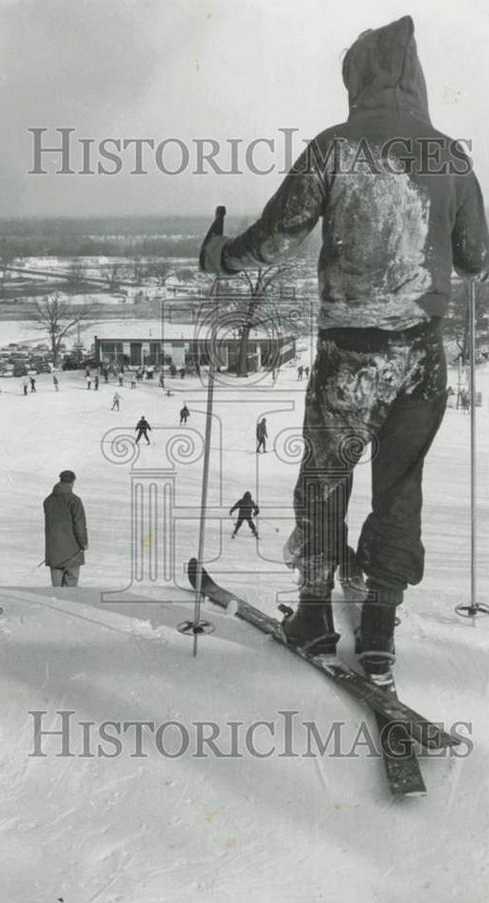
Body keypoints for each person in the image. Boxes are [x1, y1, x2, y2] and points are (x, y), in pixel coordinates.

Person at [202, 16, 489, 674]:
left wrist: (217, 256)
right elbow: (477, 258)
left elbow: (273, 242)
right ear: (413, 78)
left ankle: (313, 612)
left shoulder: (333, 147)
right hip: (422, 359)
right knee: (400, 490)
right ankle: (381, 627)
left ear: (359, 78)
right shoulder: (450, 154)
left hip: (348, 359)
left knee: (325, 481)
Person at [43, 470, 88, 587]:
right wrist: (84, 544)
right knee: (70, 589)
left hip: (54, 551)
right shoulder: (74, 501)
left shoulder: (48, 501)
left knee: (56, 590)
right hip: (72, 552)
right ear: (72, 482)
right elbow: (79, 524)